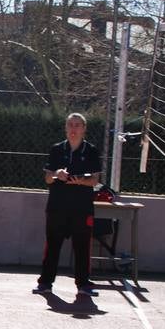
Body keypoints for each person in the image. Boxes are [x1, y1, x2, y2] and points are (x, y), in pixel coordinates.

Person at [32, 112, 101, 297]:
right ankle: (45, 283)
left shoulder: (91, 150)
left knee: (82, 246)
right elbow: (48, 178)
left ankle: (83, 284)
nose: (73, 129)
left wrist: (80, 181)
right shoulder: (57, 149)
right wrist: (57, 174)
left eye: (77, 125)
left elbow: (95, 180)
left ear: (84, 129)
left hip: (82, 207)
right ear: (65, 128)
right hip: (57, 206)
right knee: (53, 245)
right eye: (70, 125)